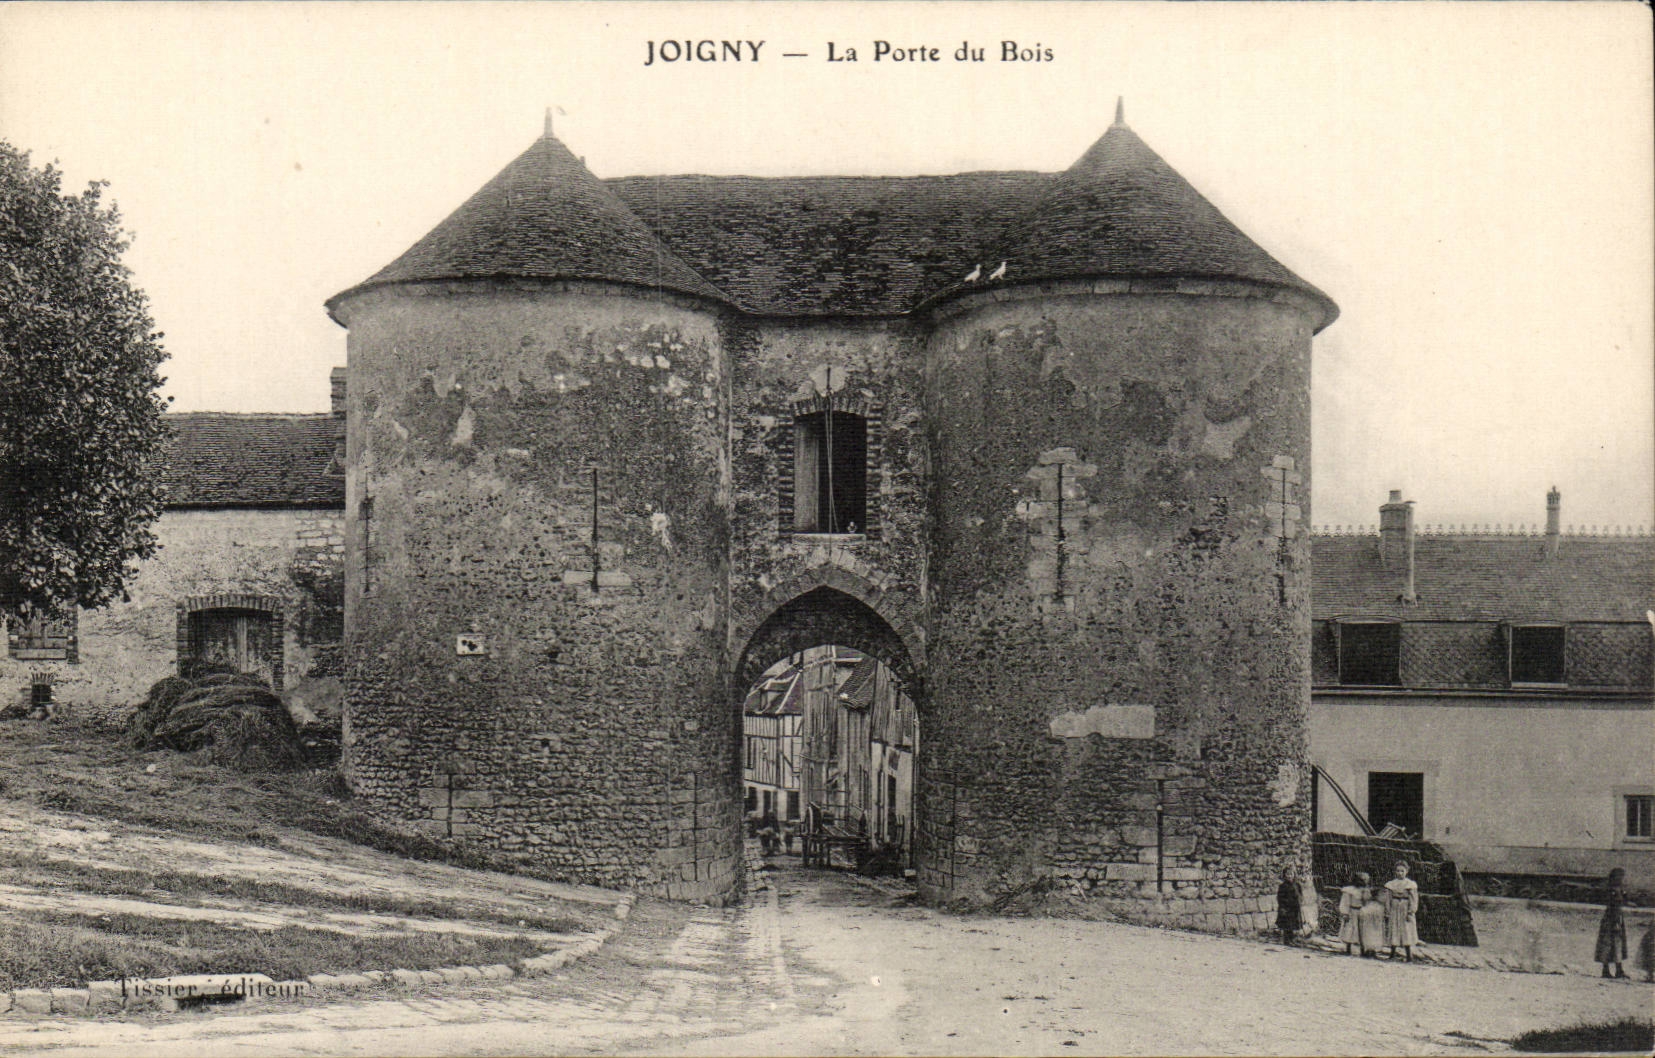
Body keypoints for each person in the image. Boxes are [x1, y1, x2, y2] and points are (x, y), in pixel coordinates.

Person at [1595, 867, 1630, 979]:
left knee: (1612, 945)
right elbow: (1613, 906)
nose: (1622, 880)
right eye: (1620, 877)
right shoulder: (1612, 890)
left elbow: (1622, 901)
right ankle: (1612, 970)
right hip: (1612, 919)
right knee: (1612, 944)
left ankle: (1614, 970)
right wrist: (1616, 922)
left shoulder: (1617, 889)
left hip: (1614, 918)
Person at [1382, 860, 1420, 961]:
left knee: (1406, 929)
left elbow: (1413, 899)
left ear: (1406, 871)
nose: (1400, 873)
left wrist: (1411, 911)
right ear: (1395, 871)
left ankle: (1409, 955)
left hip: (1405, 907)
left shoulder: (1410, 884)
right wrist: (1387, 910)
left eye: (1402, 871)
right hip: (1394, 907)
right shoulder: (1391, 884)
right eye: (1398, 871)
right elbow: (1387, 899)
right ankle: (1392, 953)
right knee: (1394, 928)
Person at [1338, 871, 1381, 956]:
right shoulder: (1349, 890)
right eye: (1361, 880)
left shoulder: (1365, 891)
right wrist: (1345, 913)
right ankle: (1348, 949)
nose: (1362, 882)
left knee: (1363, 931)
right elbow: (1345, 902)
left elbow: (1367, 902)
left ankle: (1363, 950)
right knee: (1350, 930)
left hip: (1362, 912)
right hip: (1352, 911)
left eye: (1365, 880)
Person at [1276, 866, 1303, 946]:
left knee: (1294, 924)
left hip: (1295, 908)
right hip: (1287, 908)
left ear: (1294, 875)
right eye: (1287, 874)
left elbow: (1300, 894)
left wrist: (1300, 901)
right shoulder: (1283, 886)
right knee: (1287, 924)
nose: (1289, 876)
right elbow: (1280, 897)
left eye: (1291, 874)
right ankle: (1287, 940)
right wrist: (1283, 907)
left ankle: (1293, 939)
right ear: (1284, 875)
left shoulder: (1297, 885)